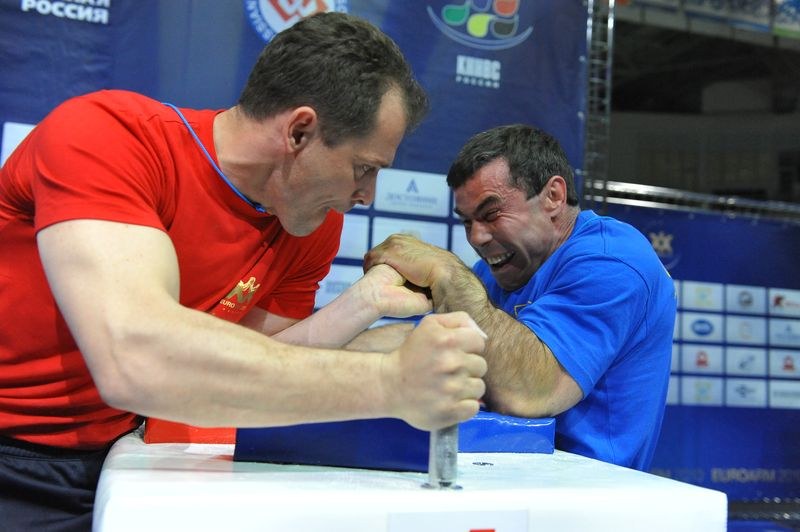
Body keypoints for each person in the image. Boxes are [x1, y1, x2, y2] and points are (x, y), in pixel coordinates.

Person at [0, 12, 488, 531]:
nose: (365, 196)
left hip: (126, 457)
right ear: (300, 131)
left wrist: (365, 305)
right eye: (364, 167)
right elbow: (135, 359)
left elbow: (264, 363)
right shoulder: (108, 137)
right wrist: (391, 381)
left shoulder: (307, 221)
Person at [358, 124, 676, 471]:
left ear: (554, 196)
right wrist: (310, 354)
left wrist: (448, 272)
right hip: (509, 480)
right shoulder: (494, 273)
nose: (477, 237)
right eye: (467, 222)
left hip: (587, 504)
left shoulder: (612, 260)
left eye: (491, 214)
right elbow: (421, 344)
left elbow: (534, 392)